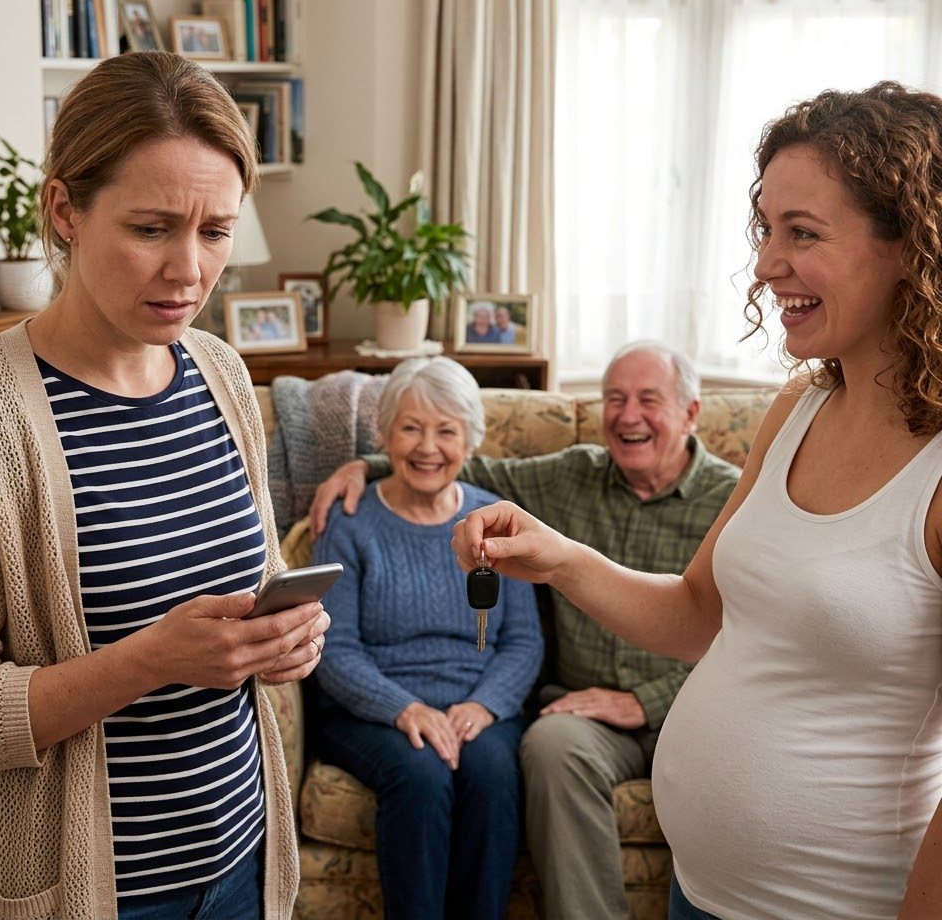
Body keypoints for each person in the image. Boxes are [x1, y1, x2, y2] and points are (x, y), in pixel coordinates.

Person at [452, 81, 942, 920]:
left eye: (802, 234)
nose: (765, 264)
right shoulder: (798, 412)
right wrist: (559, 556)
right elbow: (697, 614)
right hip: (701, 893)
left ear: (911, 245)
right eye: (766, 230)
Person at [0, 52, 330, 920]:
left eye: (215, 231)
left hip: (243, 863)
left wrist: (284, 639)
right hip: (86, 892)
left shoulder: (220, 373)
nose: (188, 269)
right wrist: (151, 661)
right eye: (151, 229)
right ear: (65, 210)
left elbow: (240, 599)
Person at [310, 342, 740, 920]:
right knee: (444, 769)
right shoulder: (556, 483)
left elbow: (763, 627)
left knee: (489, 770)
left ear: (691, 412)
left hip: (692, 704)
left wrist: (488, 704)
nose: (628, 415)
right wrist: (365, 465)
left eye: (648, 400)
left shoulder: (739, 499)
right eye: (615, 399)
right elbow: (444, 468)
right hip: (473, 710)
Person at [311, 356, 543, 920]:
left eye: (446, 431)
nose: (427, 447)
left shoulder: (495, 520)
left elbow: (522, 642)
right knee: (420, 772)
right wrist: (403, 708)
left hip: (476, 703)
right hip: (371, 708)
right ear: (385, 435)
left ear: (470, 439)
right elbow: (333, 648)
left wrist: (485, 706)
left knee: (490, 772)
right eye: (410, 428)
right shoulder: (351, 520)